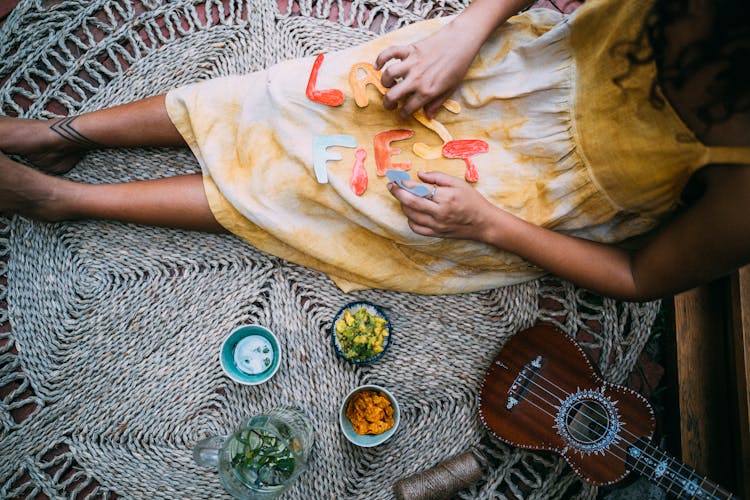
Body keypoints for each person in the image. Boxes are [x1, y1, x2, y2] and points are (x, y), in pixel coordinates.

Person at [0, 0, 748, 299]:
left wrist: (487, 224)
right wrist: (464, 35)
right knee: (295, 93)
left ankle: (66, 201)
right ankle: (61, 135)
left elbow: (642, 274)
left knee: (327, 188)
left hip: (527, 193)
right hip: (502, 67)